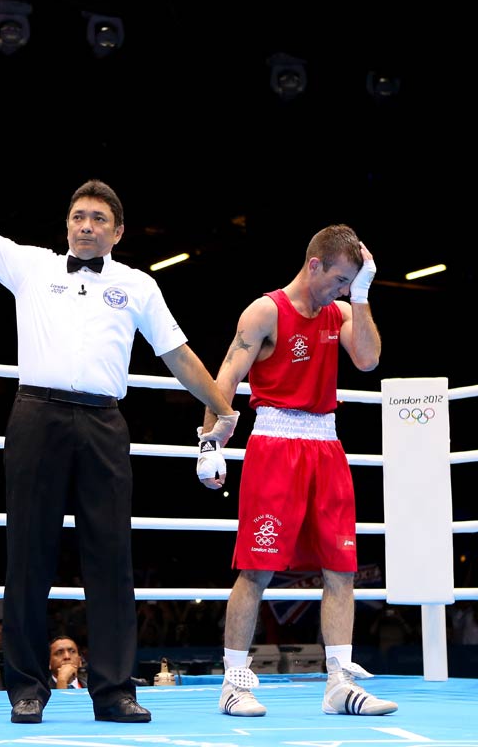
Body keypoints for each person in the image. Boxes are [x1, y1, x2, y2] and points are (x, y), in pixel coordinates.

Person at [0, 134, 239, 725]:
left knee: (112, 560)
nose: (85, 226)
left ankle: (115, 691)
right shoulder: (33, 265)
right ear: (67, 225)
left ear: (117, 232)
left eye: (98, 219)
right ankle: (26, 687)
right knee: (29, 556)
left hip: (105, 424)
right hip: (37, 416)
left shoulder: (138, 285)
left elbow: (178, 354)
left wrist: (223, 407)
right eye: (78, 216)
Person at [197, 224, 398, 718]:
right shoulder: (266, 311)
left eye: (352, 283)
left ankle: (339, 684)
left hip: (326, 446)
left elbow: (369, 360)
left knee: (342, 568)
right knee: (257, 568)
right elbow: (226, 376)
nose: (343, 289)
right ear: (314, 265)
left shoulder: (342, 312)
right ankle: (234, 683)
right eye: (340, 279)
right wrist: (208, 442)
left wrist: (364, 294)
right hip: (274, 443)